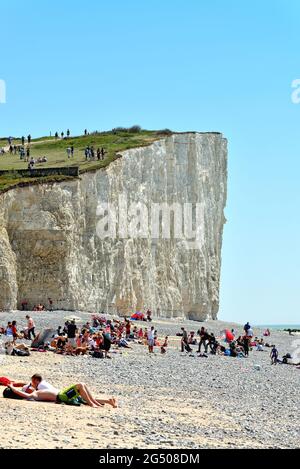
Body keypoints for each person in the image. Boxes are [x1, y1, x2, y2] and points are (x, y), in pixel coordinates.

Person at [4, 382, 117, 408]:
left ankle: (96, 402)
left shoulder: (34, 392)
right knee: (80, 385)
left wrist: (13, 384)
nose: (30, 387)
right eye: (27, 388)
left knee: (82, 386)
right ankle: (93, 404)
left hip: (63, 394)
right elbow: (20, 393)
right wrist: (13, 388)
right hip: (62, 396)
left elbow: (23, 386)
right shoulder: (32, 396)